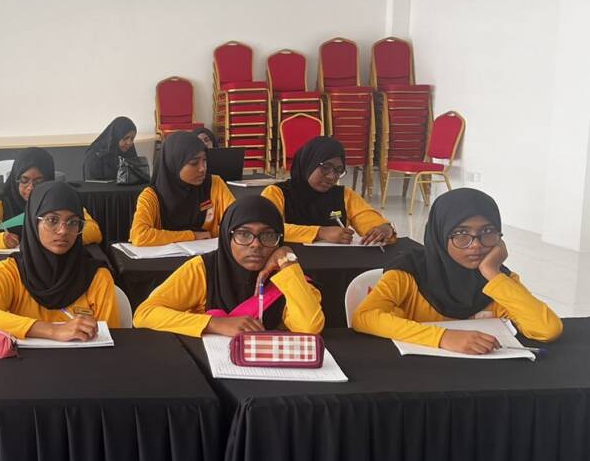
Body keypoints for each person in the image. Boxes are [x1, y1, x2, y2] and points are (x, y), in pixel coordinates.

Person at [353, 188, 561, 353]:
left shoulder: (498, 280)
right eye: (461, 234)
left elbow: (547, 329)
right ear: (440, 235)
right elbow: (365, 317)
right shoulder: (409, 272)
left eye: (488, 231)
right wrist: (443, 337)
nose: (476, 245)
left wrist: (491, 271)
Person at [134, 196, 324, 336]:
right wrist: (215, 324)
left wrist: (287, 260)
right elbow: (144, 314)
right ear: (227, 236)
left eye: (268, 235)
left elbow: (309, 328)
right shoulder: (203, 269)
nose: (255, 244)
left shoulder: (288, 276)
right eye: (243, 234)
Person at [0, 181, 118, 340]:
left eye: (73, 222)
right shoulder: (11, 271)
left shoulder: (97, 277)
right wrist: (54, 331)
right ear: (34, 222)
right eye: (52, 220)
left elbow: (108, 338)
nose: (63, 231)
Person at [0, 147, 103, 249]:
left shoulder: (61, 201)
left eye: (39, 182)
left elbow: (94, 231)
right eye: (24, 181)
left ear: (49, 181)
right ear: (15, 180)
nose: (31, 187)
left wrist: (53, 239)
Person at [261, 136, 395, 245]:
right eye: (326, 167)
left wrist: (385, 228)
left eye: (338, 170)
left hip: (335, 264)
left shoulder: (344, 195)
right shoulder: (277, 193)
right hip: (288, 263)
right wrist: (320, 233)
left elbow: (369, 221)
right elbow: (266, 229)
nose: (332, 176)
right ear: (309, 163)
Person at [130, 131, 235, 246]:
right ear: (174, 164)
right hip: (166, 257)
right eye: (194, 163)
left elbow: (237, 220)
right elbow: (139, 236)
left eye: (204, 160)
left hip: (208, 253)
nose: (202, 168)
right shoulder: (151, 196)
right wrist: (192, 236)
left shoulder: (214, 184)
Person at [83, 116, 138, 181]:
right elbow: (91, 184)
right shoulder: (95, 155)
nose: (129, 143)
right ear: (116, 136)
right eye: (125, 138)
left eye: (132, 139)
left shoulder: (129, 153)